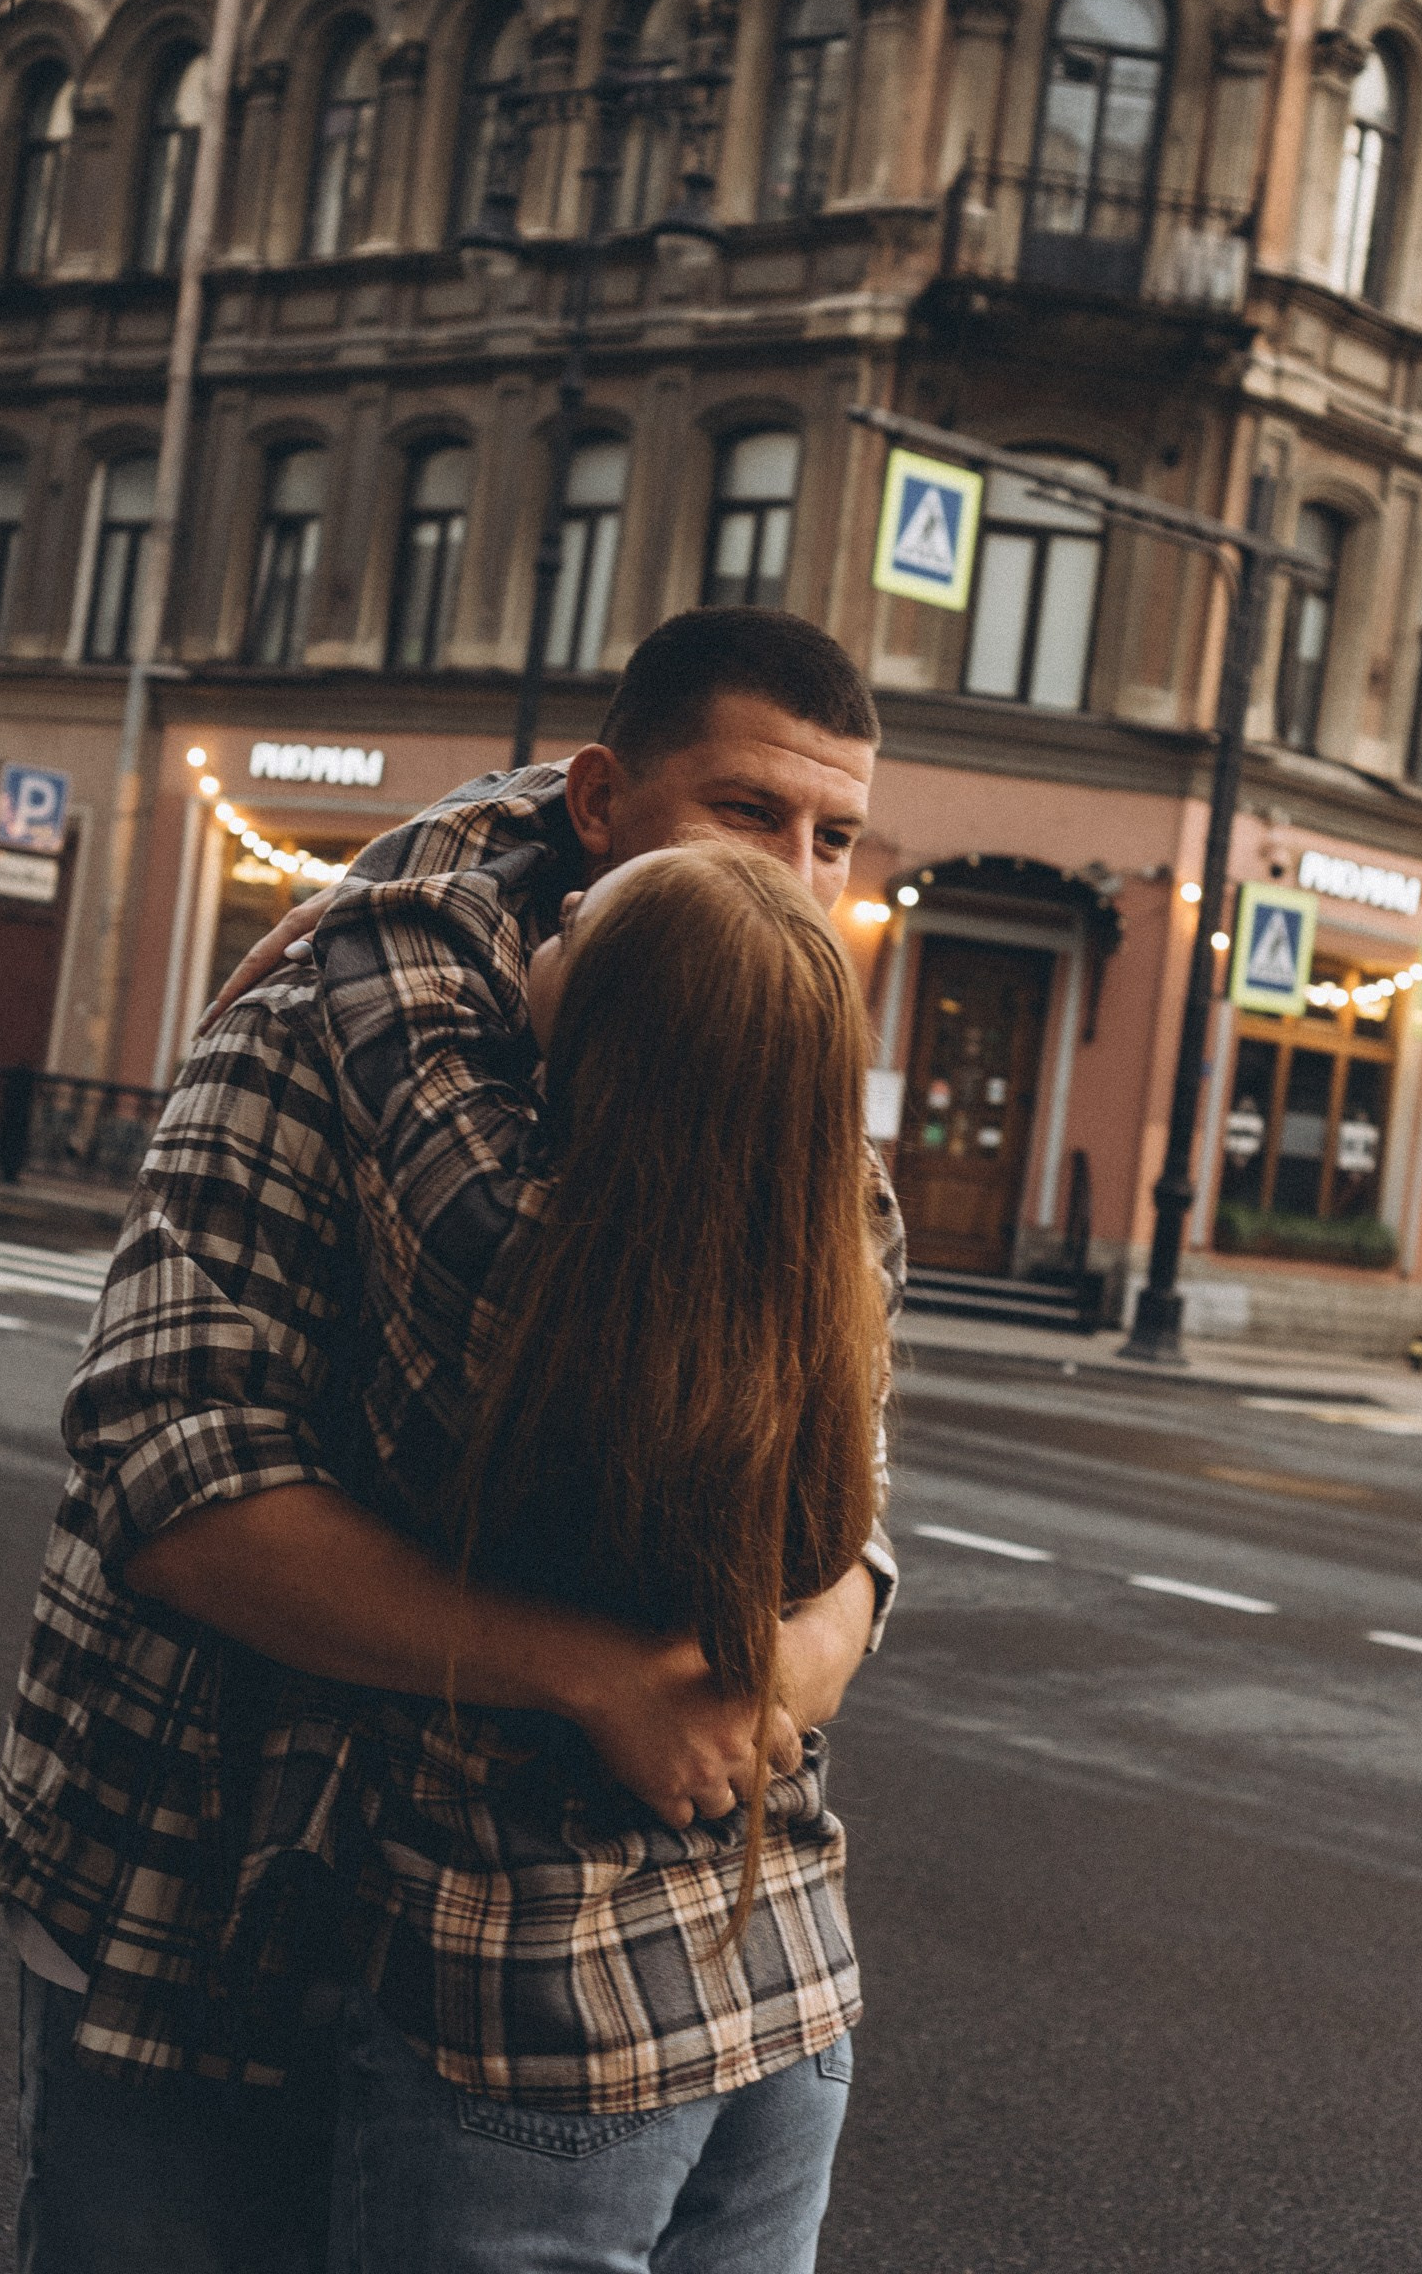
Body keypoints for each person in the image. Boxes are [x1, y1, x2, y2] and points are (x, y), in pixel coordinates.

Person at [0, 608, 902, 2273]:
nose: (798, 872)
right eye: (749, 813)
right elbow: (168, 1467)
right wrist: (606, 1677)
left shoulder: (783, 1105)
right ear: (603, 804)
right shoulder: (329, 1029)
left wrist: (792, 1652)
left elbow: (852, 1514)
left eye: (834, 836)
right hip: (189, 1883)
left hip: (508, 1967)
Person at [326, 837, 890, 2271]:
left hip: (545, 2003)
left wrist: (533, 825)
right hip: (787, 1989)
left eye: (578, 926)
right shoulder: (845, 1280)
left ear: (611, 1029)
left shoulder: (497, 1246)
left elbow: (381, 952)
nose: (549, 924)